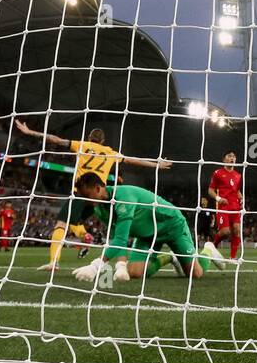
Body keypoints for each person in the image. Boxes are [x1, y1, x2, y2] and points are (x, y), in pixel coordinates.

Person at [15, 120, 171, 272]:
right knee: (76, 222)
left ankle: (53, 262)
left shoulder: (82, 145)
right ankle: (86, 237)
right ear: (102, 141)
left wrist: (30, 132)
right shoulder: (110, 152)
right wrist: (156, 164)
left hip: (81, 193)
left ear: (90, 138)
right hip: (98, 199)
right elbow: (133, 161)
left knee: (61, 224)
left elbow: (56, 140)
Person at [70, 174, 219, 282]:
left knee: (195, 274)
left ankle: (208, 250)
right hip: (146, 236)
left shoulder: (123, 197)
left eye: (87, 196)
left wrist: (96, 266)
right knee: (134, 272)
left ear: (97, 189)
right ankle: (170, 257)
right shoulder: (99, 208)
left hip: (172, 226)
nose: (85, 200)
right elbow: (117, 235)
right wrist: (121, 264)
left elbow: (121, 240)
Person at [208, 152, 244, 260]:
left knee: (237, 230)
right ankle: (213, 246)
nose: (232, 158)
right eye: (229, 156)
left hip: (235, 207)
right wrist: (219, 199)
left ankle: (232, 258)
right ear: (224, 160)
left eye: (233, 156)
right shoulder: (217, 173)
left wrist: (241, 199)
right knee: (225, 232)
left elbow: (237, 191)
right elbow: (210, 190)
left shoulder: (238, 175)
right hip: (223, 207)